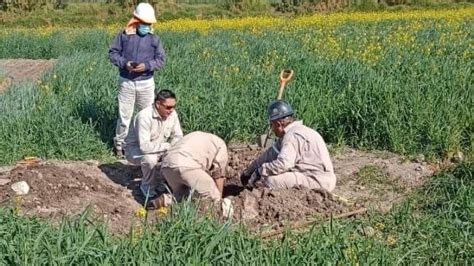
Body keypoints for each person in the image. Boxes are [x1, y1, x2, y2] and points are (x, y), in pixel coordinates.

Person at [108, 2, 166, 157]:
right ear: (136, 21)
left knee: (147, 116)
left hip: (146, 82)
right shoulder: (124, 35)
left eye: (148, 24)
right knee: (124, 116)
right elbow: (113, 53)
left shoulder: (154, 39)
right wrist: (125, 63)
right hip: (126, 81)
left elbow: (161, 59)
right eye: (143, 24)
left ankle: (146, 146)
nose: (146, 27)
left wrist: (147, 65)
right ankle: (120, 146)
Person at [240, 100, 336, 192]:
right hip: (321, 178)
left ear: (278, 124)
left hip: (317, 180)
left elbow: (284, 164)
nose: (271, 129)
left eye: (271, 125)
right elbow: (268, 155)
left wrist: (260, 171)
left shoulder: (291, 137)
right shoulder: (301, 131)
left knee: (270, 180)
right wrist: (248, 172)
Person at [124, 89, 183, 198]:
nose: (172, 110)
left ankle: (164, 182)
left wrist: (172, 148)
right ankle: (147, 188)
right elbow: (144, 147)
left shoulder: (172, 114)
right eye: (168, 107)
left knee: (177, 155)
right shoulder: (144, 117)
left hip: (158, 148)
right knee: (150, 160)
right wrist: (167, 147)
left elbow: (178, 136)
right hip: (136, 150)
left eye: (173, 106)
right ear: (158, 104)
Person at [160, 131, 228, 202]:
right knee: (213, 196)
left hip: (167, 166)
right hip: (186, 164)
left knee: (182, 196)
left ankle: (165, 200)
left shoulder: (200, 138)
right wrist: (219, 197)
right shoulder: (221, 145)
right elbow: (218, 175)